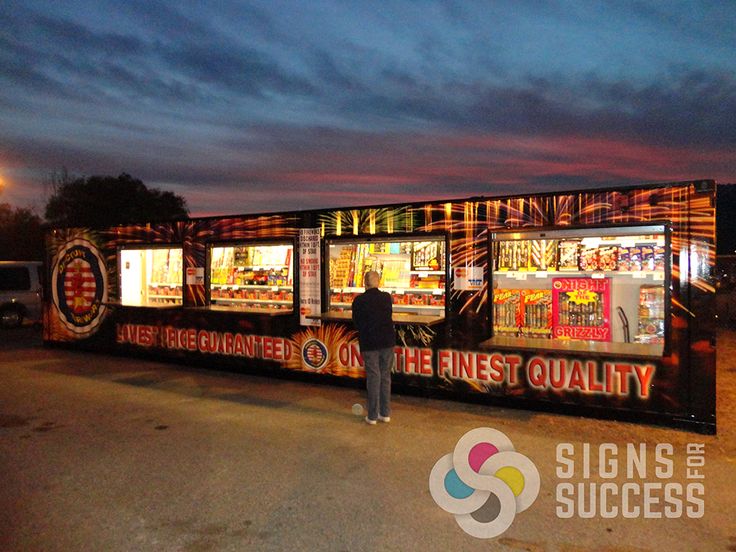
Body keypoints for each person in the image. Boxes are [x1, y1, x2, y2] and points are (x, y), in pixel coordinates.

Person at [352, 270, 396, 425]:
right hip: (387, 342)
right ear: (379, 282)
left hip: (369, 343)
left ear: (365, 283)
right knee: (385, 377)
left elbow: (356, 322)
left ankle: (372, 416)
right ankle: (385, 413)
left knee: (373, 377)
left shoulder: (359, 301)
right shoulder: (386, 298)